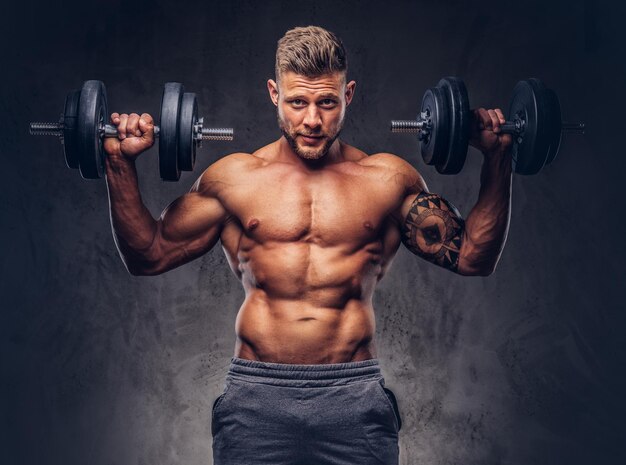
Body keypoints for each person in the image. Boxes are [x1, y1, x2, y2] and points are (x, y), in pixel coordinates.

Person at [103, 26, 512, 465]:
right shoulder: (234, 180)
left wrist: (499, 158)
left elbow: (472, 255)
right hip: (257, 399)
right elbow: (148, 254)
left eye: (327, 102)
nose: (312, 120)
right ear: (274, 93)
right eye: (298, 102)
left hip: (352, 399)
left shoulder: (387, 180)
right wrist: (118, 162)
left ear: (348, 94)